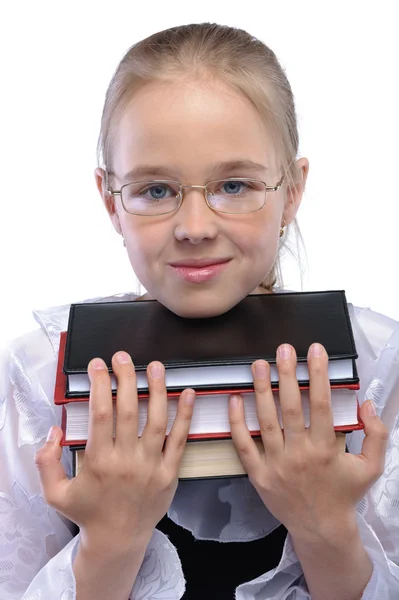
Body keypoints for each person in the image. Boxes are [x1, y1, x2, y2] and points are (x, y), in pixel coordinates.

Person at [1, 22, 398, 600]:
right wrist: (111, 539)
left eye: (234, 185)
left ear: (291, 190)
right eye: (156, 190)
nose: (194, 228)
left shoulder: (377, 363)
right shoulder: (38, 376)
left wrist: (324, 526)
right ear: (111, 200)